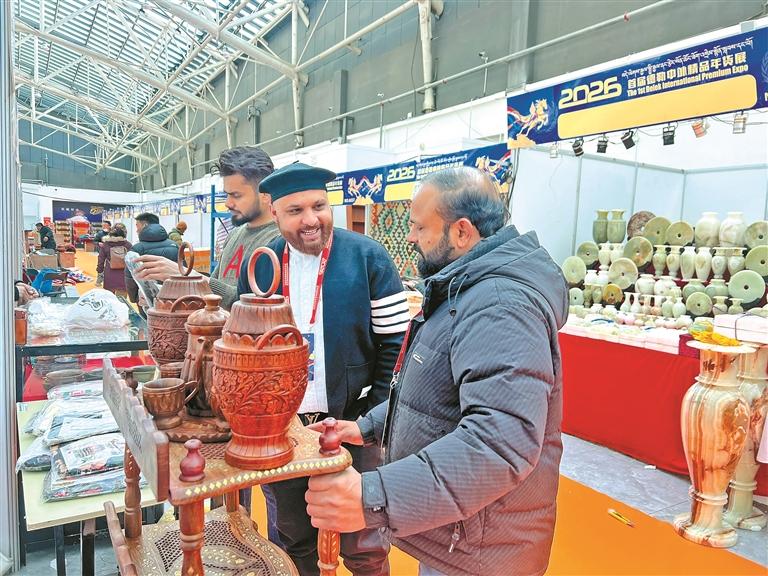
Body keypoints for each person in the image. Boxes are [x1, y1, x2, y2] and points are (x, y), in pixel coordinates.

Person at [304, 167, 569, 576]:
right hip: (460, 529)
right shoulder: (467, 288)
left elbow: (500, 442)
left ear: (462, 232)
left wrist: (373, 496)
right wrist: (368, 426)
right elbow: (434, 392)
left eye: (419, 226)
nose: (411, 237)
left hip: (483, 548)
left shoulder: (500, 305)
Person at [237, 162, 409, 576]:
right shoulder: (260, 264)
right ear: (273, 212)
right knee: (294, 539)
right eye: (295, 211)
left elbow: (397, 345)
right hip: (284, 429)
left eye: (319, 206)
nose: (311, 219)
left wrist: (373, 418)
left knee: (364, 544)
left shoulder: (367, 257)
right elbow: (246, 345)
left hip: (353, 424)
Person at [133, 146, 280, 310]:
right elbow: (212, 294)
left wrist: (187, 275)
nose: (228, 203)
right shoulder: (234, 234)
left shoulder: (278, 242)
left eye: (236, 195)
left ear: (265, 195)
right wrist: (163, 293)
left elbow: (252, 306)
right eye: (227, 194)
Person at [124, 212, 179, 304]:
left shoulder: (137, 248)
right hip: (173, 296)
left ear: (145, 225)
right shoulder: (174, 245)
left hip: (147, 297)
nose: (136, 230)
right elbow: (182, 270)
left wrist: (134, 298)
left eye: (137, 226)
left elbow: (130, 275)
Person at [96, 223, 132, 297]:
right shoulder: (128, 245)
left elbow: (101, 260)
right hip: (123, 275)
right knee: (122, 300)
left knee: (109, 298)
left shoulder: (106, 244)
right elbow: (132, 261)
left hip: (109, 274)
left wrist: (100, 271)